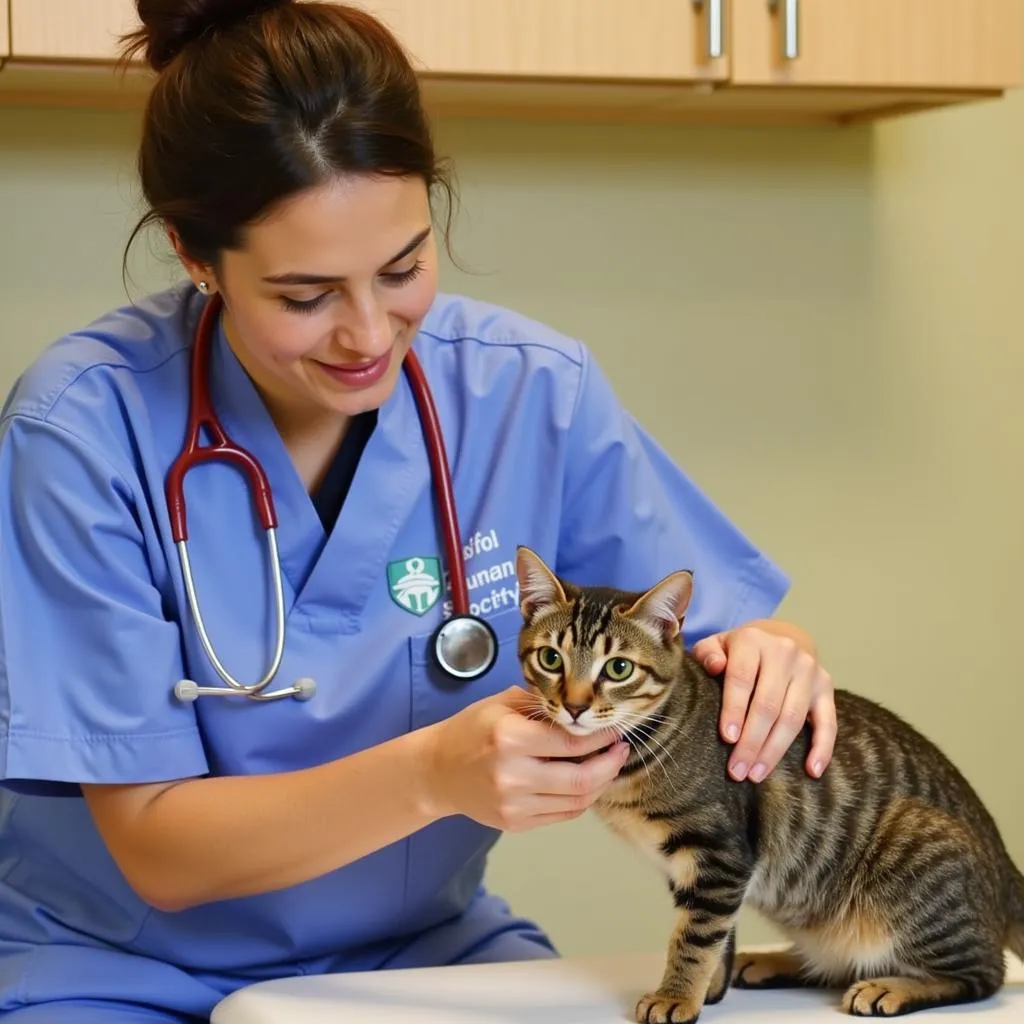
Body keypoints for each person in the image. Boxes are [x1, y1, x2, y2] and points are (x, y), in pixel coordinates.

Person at [0, 1, 837, 1020]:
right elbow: (155, 847)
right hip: (118, 967)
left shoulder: (528, 391)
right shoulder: (83, 428)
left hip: (427, 953)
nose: (366, 334)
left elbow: (702, 644)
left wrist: (773, 654)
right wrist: (436, 774)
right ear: (194, 254)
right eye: (305, 294)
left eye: (401, 269)